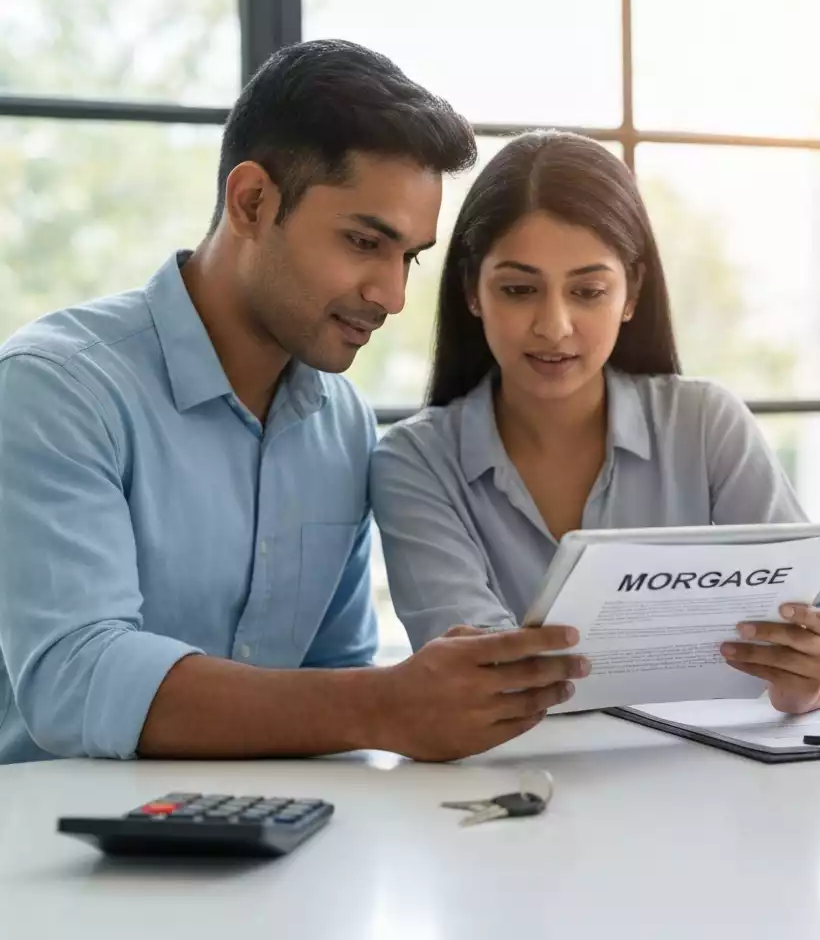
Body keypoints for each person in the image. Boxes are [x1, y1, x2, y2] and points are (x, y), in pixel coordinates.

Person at [0, 43, 589, 765]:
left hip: (272, 851)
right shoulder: (56, 389)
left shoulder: (342, 427)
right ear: (252, 202)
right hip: (57, 859)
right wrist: (388, 705)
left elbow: (331, 678)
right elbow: (74, 677)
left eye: (407, 257)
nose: (393, 295)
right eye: (364, 241)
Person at [370, 130, 820, 715]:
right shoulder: (415, 463)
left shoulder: (705, 424)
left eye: (588, 291)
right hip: (521, 781)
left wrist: (815, 672)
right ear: (472, 291)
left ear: (631, 292)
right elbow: (477, 673)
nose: (554, 326)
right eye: (518, 289)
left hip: (711, 780)